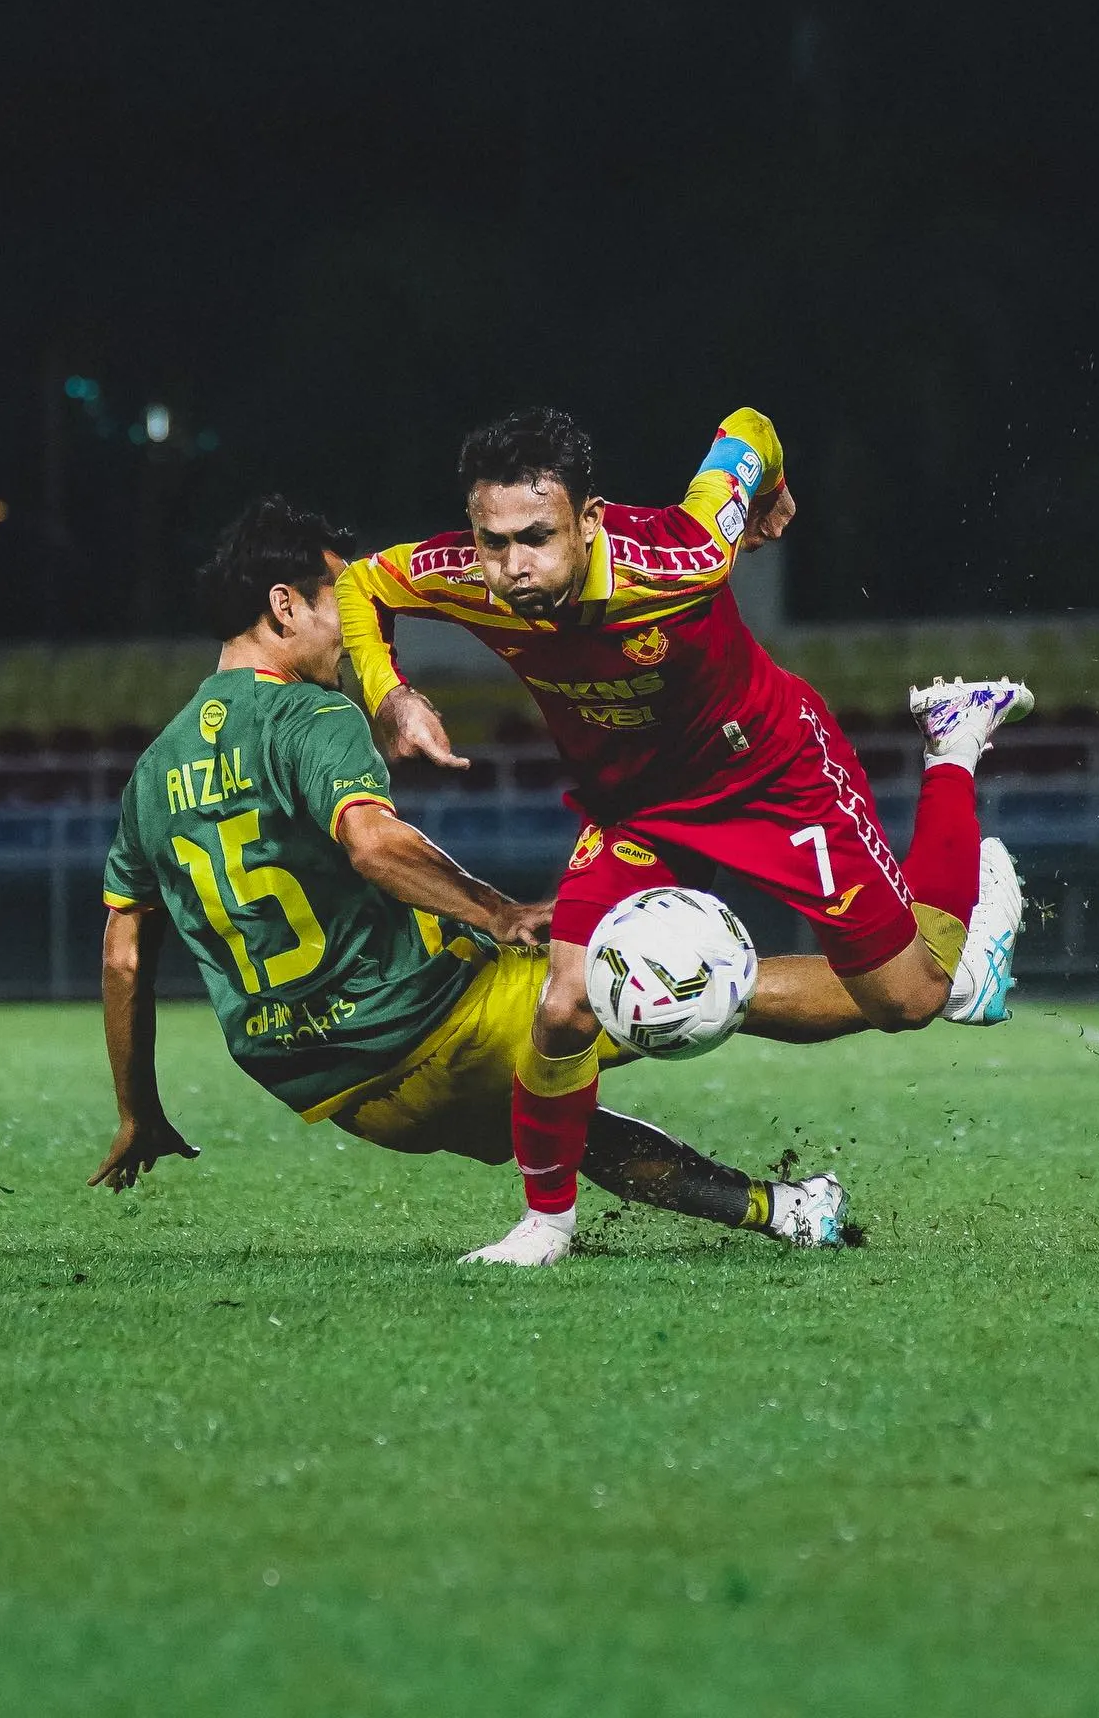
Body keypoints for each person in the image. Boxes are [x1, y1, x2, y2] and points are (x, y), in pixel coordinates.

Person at [336, 406, 1031, 1266]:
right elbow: (361, 583)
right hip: (634, 804)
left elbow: (749, 426)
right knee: (565, 1005)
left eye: (537, 537)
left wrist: (770, 489)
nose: (512, 567)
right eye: (492, 540)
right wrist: (387, 692)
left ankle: (954, 747)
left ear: (590, 520)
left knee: (911, 997)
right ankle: (545, 1226)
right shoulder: (464, 576)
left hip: (770, 773)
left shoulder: (688, 552)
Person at [89, 494, 847, 1248]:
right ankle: (933, 979)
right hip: (432, 1023)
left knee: (558, 1117)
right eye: (339, 603)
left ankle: (784, 1212)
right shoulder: (309, 717)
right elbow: (373, 844)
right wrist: (496, 911)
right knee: (652, 976)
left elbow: (124, 956)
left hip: (334, 1091)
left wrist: (137, 1111)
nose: (354, 637)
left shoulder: (152, 773)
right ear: (284, 607)